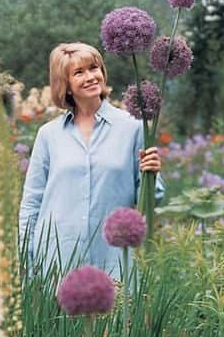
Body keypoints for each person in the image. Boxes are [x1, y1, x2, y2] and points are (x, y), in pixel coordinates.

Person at [18, 41, 162, 279]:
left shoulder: (134, 127)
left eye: (94, 68)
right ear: (66, 85)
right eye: (79, 72)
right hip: (57, 263)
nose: (91, 77)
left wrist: (152, 174)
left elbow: (149, 200)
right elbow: (32, 203)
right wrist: (26, 259)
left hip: (114, 260)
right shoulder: (48, 135)